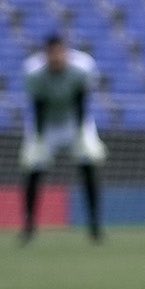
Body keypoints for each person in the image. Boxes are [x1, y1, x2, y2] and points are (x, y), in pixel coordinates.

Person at [18, 33, 105, 243]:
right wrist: (39, 139)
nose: (56, 57)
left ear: (66, 51)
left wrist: (80, 133)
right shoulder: (33, 71)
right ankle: (29, 227)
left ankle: (95, 228)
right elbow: (37, 105)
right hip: (45, 125)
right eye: (52, 53)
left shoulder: (82, 67)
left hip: (74, 122)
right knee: (33, 169)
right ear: (46, 53)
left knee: (89, 166)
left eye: (60, 52)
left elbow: (81, 101)